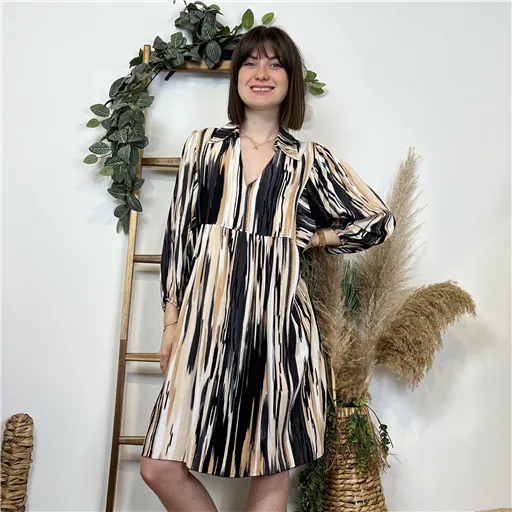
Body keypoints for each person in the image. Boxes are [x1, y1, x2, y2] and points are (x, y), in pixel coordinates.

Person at [139, 25, 395, 512]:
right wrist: (171, 323)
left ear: (290, 79)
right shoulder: (203, 147)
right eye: (251, 62)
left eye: (275, 63)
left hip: (279, 329)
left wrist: (315, 237)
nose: (262, 73)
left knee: (269, 469)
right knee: (159, 466)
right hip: (205, 323)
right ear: (237, 76)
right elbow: (179, 237)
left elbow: (379, 221)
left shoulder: (309, 160)